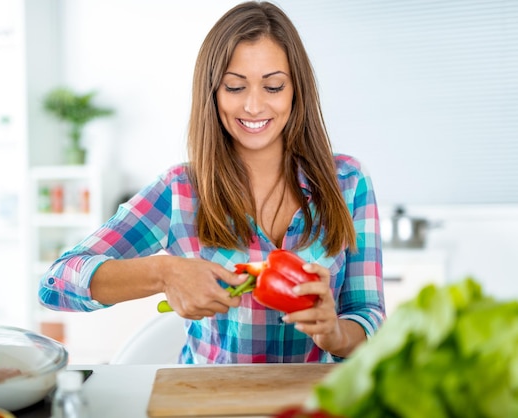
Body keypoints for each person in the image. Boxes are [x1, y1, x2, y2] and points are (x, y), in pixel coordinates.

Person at [39, 1, 384, 364]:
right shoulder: (180, 191)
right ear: (213, 92)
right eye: (235, 87)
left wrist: (335, 334)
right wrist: (163, 272)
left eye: (273, 86)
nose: (253, 106)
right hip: (210, 399)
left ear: (296, 91)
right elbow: (55, 283)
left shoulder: (347, 182)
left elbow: (369, 314)